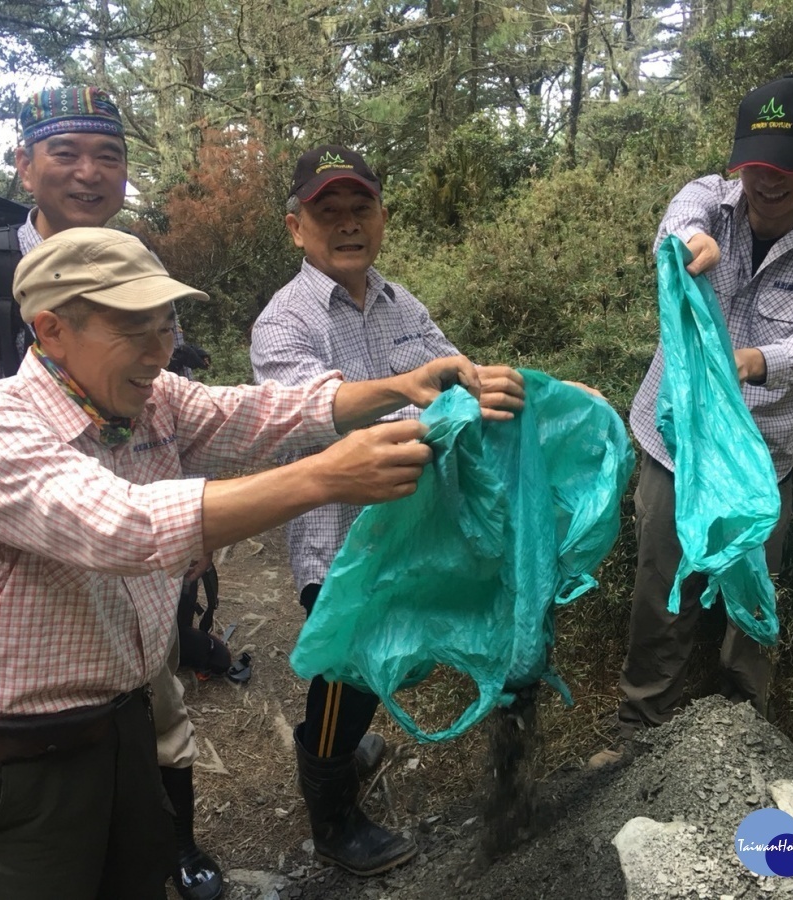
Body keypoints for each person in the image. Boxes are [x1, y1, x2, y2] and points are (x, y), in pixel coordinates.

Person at [0, 226, 482, 900]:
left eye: (166, 325)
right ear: (52, 331)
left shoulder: (152, 400)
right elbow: (123, 527)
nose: (158, 350)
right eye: (134, 329)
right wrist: (325, 478)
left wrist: (399, 386)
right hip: (24, 760)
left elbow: (264, 412)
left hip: (126, 728)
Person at [0, 86, 223, 900]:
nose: (90, 173)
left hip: (137, 530)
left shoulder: (130, 257)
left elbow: (180, 399)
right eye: (66, 153)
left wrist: (176, 514)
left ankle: (172, 852)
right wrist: (38, 504)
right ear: (25, 164)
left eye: (110, 155)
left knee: (153, 706)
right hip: (32, 534)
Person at [250, 145, 526, 876]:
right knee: (349, 670)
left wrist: (516, 393)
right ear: (295, 227)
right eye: (326, 212)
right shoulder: (285, 324)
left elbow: (455, 376)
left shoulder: (404, 304)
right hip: (338, 539)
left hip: (409, 527)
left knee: (379, 666)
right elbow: (313, 418)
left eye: (359, 208)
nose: (346, 225)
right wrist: (421, 401)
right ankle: (334, 817)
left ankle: (344, 745)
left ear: (381, 217)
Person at [616, 75, 793, 735]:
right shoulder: (709, 200)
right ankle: (642, 721)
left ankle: (741, 731)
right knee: (661, 588)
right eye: (755, 163)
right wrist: (687, 247)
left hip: (761, 459)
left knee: (752, 597)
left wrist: (754, 361)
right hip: (677, 449)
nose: (767, 179)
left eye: (786, 164)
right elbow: (681, 221)